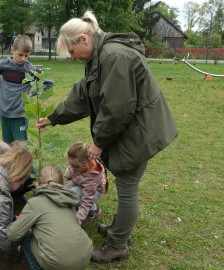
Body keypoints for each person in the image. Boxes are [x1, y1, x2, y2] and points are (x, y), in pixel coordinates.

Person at [36, 10, 178, 263]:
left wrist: (99, 143)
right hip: (131, 128)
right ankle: (119, 230)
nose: (71, 57)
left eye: (71, 51)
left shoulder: (113, 56)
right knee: (126, 185)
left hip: (140, 131)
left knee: (126, 187)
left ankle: (117, 245)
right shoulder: (98, 58)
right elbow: (82, 95)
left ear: (83, 39)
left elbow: (117, 108)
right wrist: (53, 117)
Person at [6, 164, 93, 270]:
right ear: (63, 181)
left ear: (38, 182)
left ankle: (38, 267)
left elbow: (13, 234)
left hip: (57, 262)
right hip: (84, 254)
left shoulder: (35, 203)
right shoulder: (69, 200)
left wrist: (12, 223)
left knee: (26, 236)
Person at [0, 35, 41, 144]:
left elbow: (47, 84)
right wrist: (0, 88)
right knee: (7, 146)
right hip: (4, 113)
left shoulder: (31, 70)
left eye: (26, 56)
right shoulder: (2, 65)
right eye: (20, 55)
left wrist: (32, 93)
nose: (23, 59)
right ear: (12, 50)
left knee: (20, 148)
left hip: (20, 115)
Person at [64, 141, 108, 225]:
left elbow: (87, 199)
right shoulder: (76, 165)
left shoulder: (92, 177)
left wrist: (78, 219)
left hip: (94, 192)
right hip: (79, 185)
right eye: (71, 164)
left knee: (72, 194)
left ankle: (93, 210)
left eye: (75, 166)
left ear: (86, 164)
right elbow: (69, 172)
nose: (72, 168)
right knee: (64, 192)